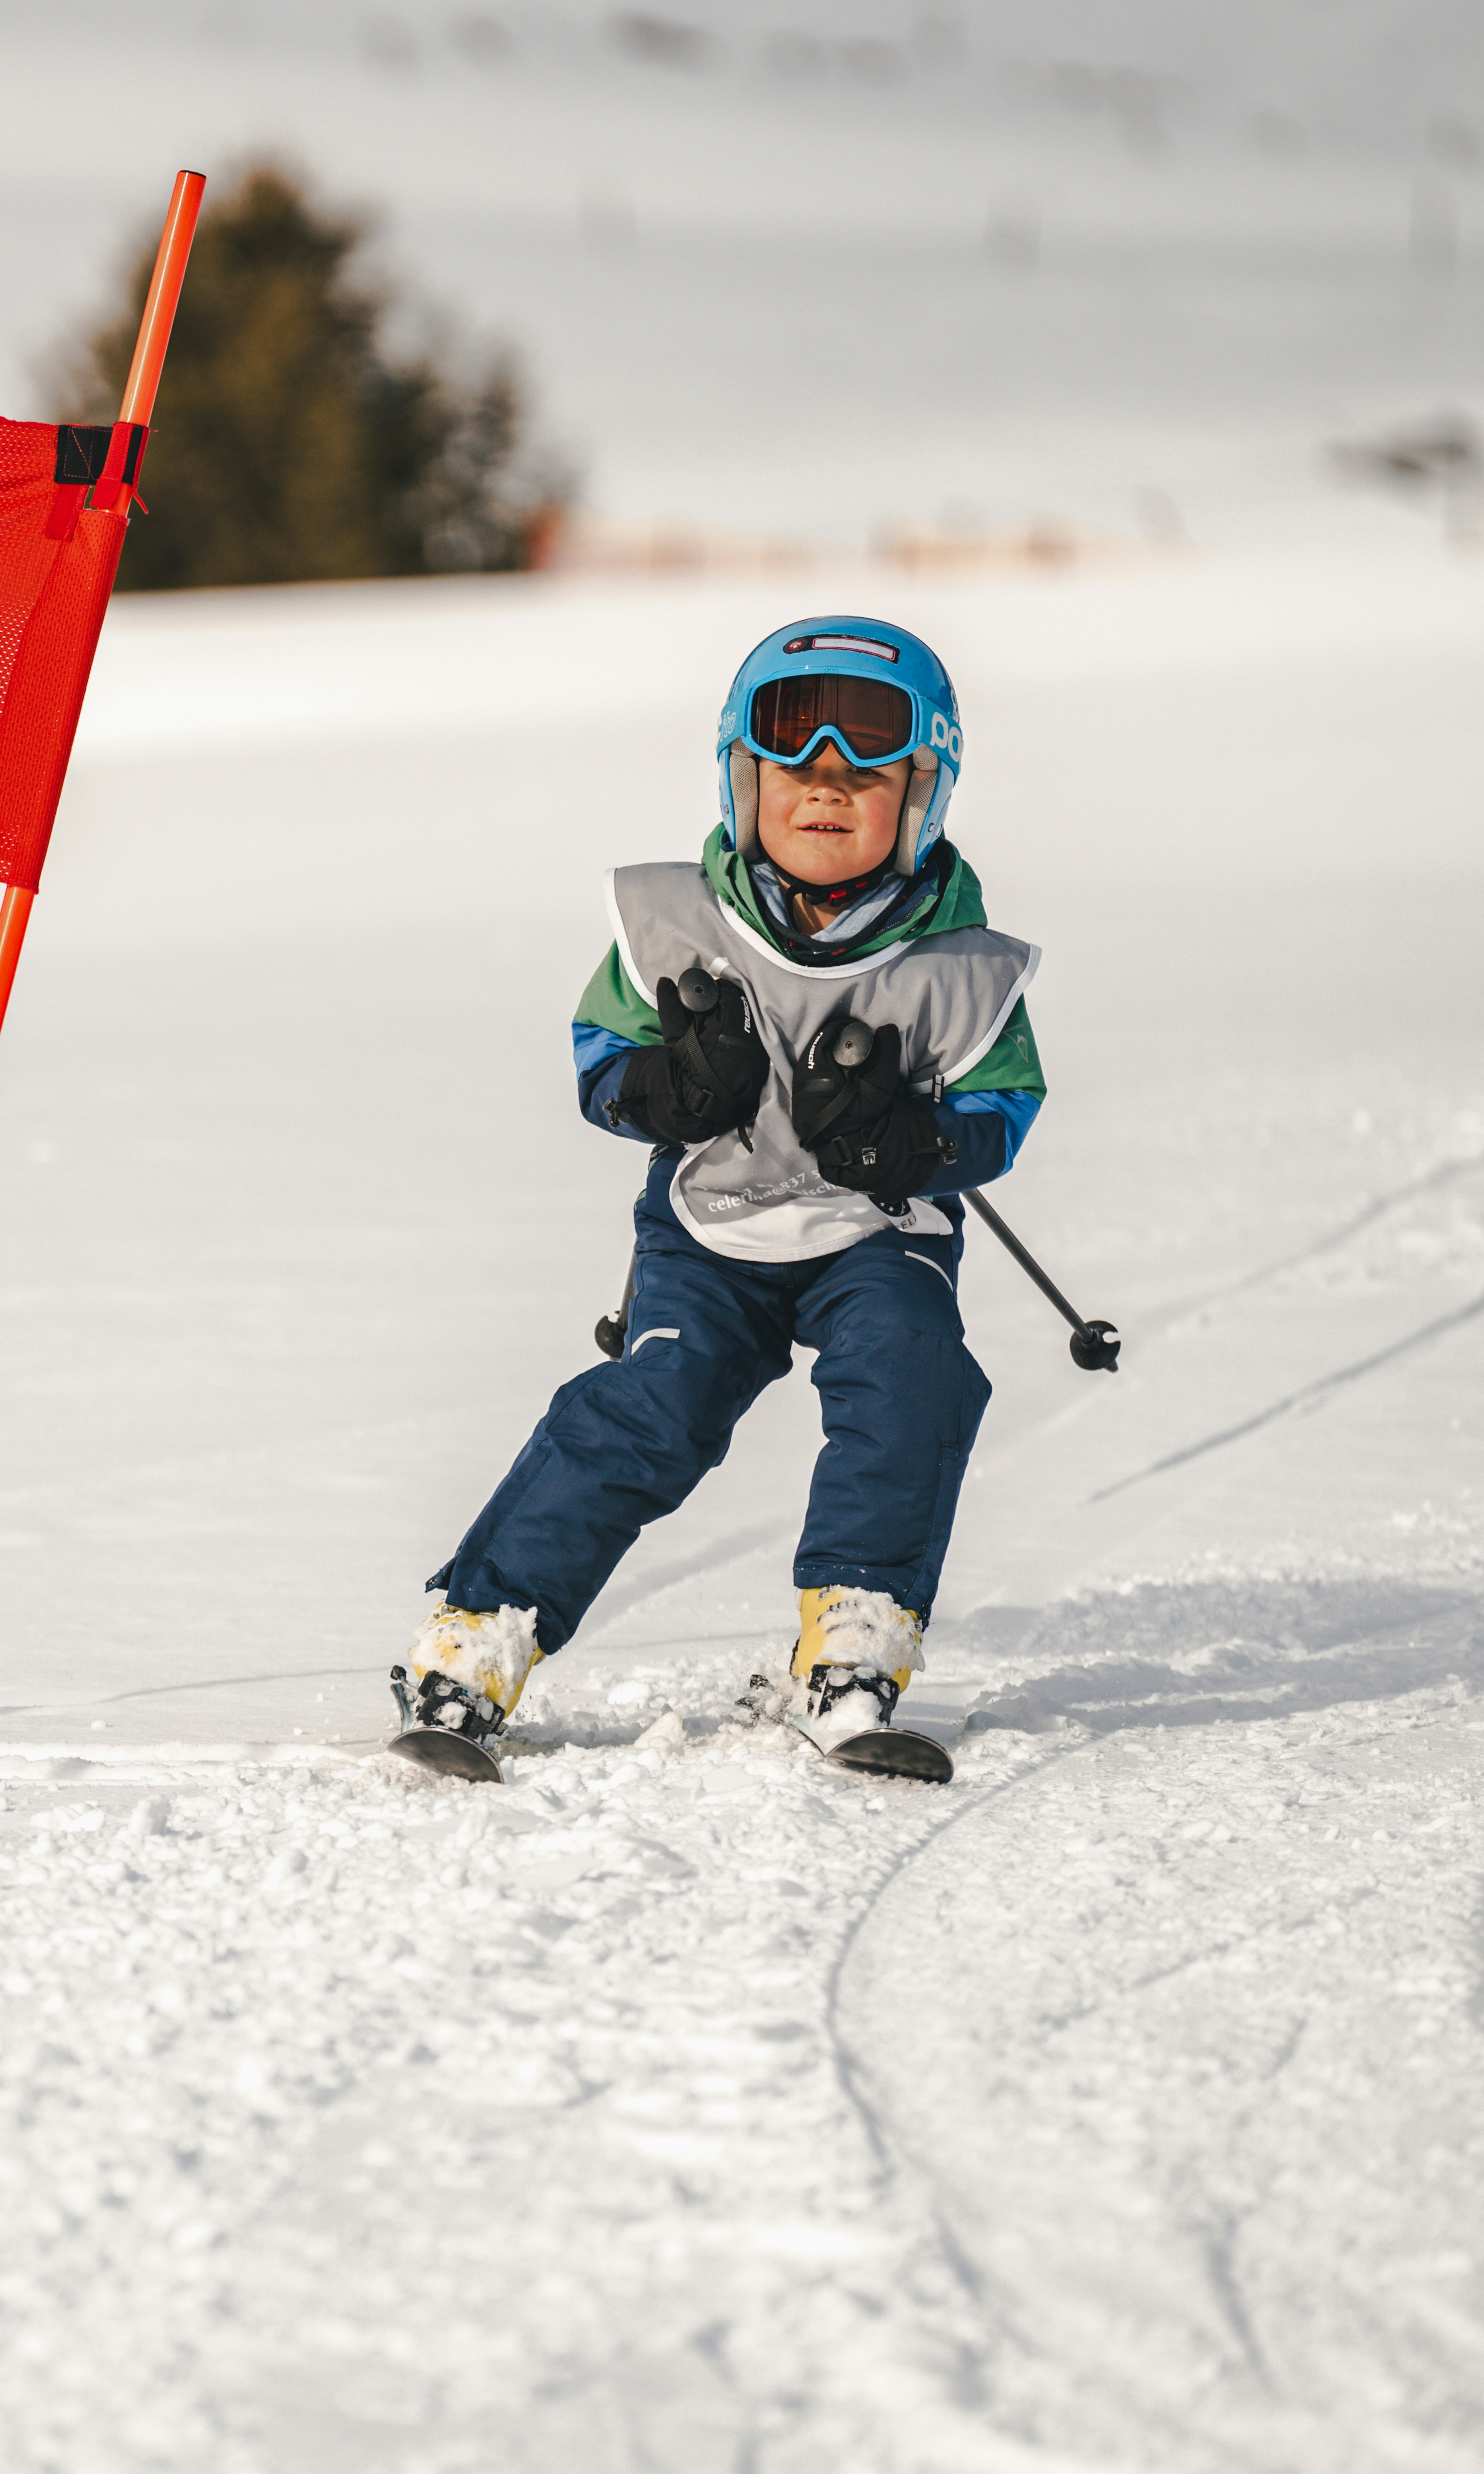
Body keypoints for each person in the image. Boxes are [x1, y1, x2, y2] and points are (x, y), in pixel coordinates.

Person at [391, 616, 1045, 1769]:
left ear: (924, 793)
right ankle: (478, 1636)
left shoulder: (963, 963)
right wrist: (671, 1088)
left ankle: (853, 1643)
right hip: (711, 1227)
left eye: (864, 772)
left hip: (873, 1235)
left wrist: (919, 1145)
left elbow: (1004, 1105)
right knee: (655, 1405)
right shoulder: (676, 924)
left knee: (912, 1378)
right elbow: (602, 1060)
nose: (825, 787)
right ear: (742, 783)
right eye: (792, 767)